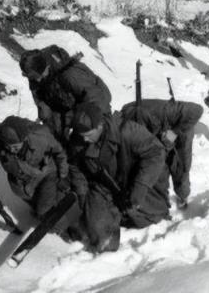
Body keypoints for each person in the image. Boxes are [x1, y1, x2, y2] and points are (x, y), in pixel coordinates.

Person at [69, 103, 168, 253]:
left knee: (148, 215)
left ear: (100, 126)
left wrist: (140, 187)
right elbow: (76, 169)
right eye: (82, 136)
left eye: (88, 135)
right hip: (104, 186)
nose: (85, 140)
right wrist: (83, 197)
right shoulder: (78, 140)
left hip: (135, 181)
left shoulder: (127, 130)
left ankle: (134, 212)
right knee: (98, 232)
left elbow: (156, 153)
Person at [0, 116, 87, 219]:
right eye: (8, 146)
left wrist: (63, 174)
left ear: (25, 138)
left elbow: (59, 152)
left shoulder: (41, 135)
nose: (11, 149)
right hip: (23, 185)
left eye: (15, 146)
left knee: (45, 210)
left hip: (47, 173)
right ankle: (42, 207)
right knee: (38, 203)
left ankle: (49, 211)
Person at [119, 98, 204, 208]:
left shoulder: (166, 110)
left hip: (181, 134)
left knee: (180, 167)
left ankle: (183, 195)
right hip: (157, 135)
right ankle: (159, 199)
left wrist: (173, 133)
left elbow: (197, 110)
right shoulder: (126, 121)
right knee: (157, 165)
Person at [19, 45, 112, 142]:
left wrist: (100, 125)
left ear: (47, 67)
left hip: (92, 103)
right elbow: (42, 101)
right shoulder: (34, 75)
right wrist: (47, 120)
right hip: (64, 105)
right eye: (33, 78)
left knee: (88, 137)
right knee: (56, 137)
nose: (37, 80)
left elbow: (96, 97)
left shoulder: (70, 74)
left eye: (40, 76)